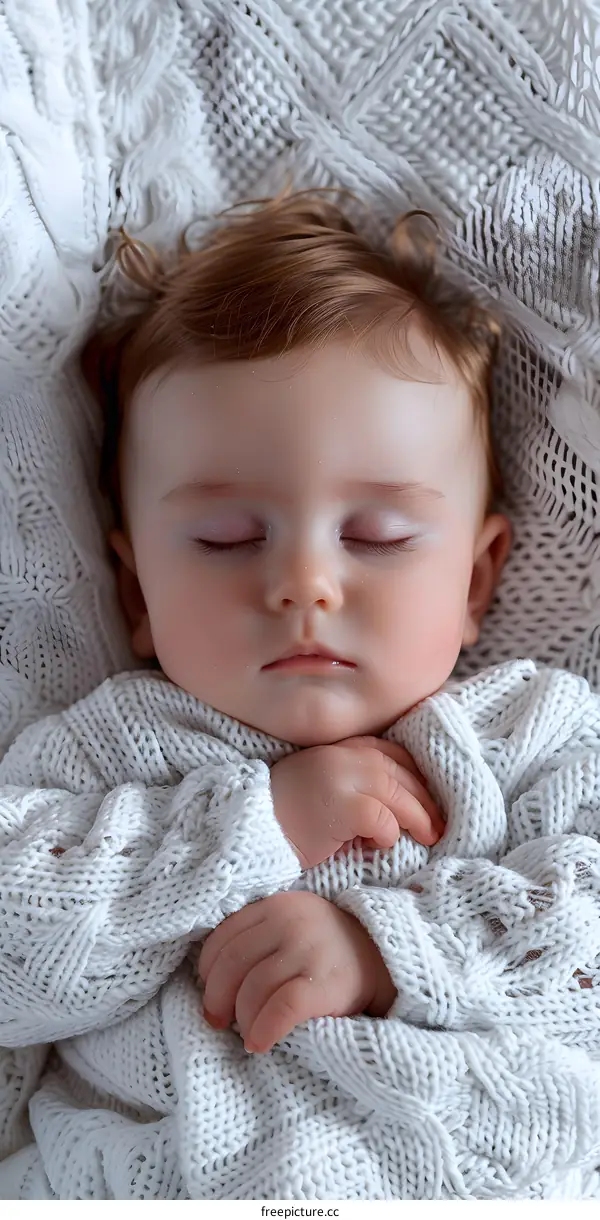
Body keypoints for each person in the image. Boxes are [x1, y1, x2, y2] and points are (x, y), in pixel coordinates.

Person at [1, 192, 599, 1201]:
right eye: (230, 538)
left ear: (476, 579)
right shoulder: (113, 750)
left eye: (375, 535)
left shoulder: (532, 735)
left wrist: (392, 948)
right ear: (139, 590)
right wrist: (251, 824)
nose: (304, 584)